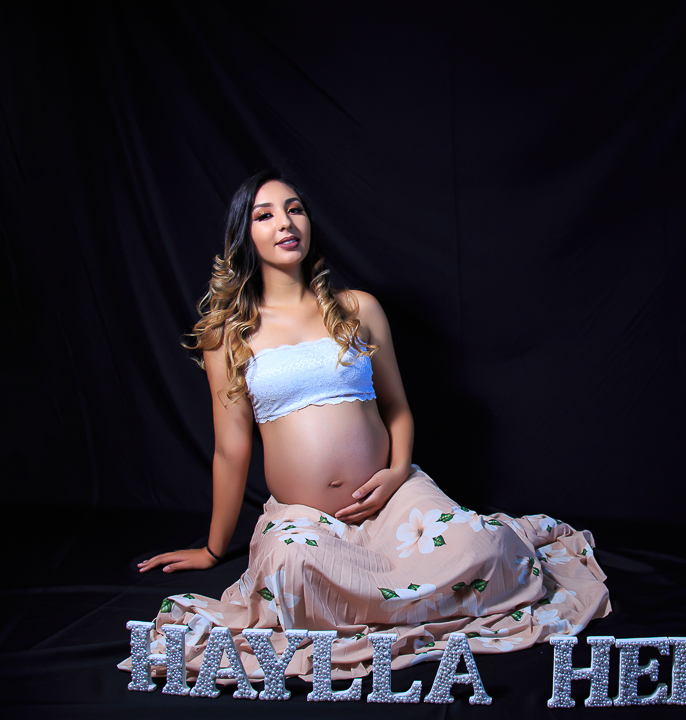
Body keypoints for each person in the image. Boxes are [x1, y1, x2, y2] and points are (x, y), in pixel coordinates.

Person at [123, 169, 610, 681]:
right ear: (245, 236)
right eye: (265, 215)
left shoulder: (358, 308)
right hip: (305, 518)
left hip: (393, 499)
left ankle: (388, 591)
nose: (285, 222)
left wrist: (398, 472)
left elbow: (396, 407)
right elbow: (231, 449)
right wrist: (213, 548)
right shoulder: (228, 335)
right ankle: (387, 598)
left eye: (294, 209)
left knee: (484, 551)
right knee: (291, 570)